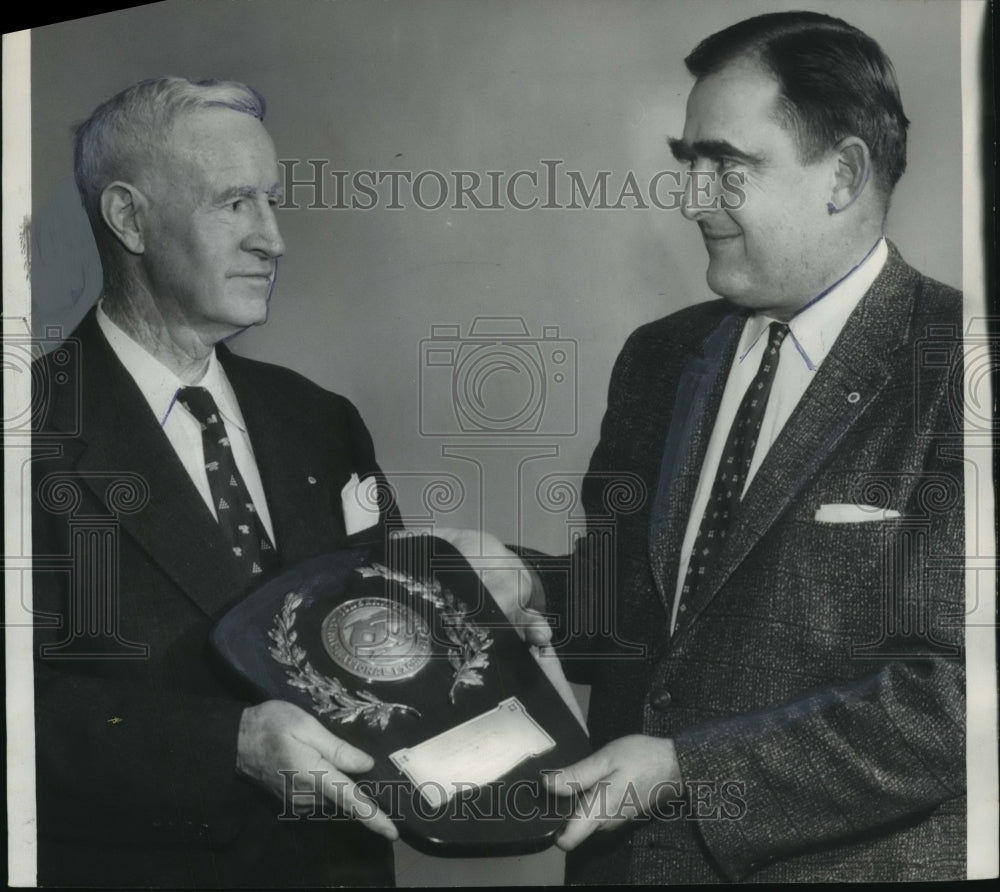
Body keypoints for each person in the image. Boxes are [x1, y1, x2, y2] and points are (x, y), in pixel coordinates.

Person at [478, 11, 966, 883]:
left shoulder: (962, 364)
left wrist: (688, 773)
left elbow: (957, 706)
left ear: (843, 174)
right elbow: (640, 614)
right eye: (689, 164)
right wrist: (527, 586)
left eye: (727, 167)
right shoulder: (661, 359)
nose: (691, 198)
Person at [31, 77, 398, 887]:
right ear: (128, 218)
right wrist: (226, 746)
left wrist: (474, 590)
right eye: (234, 203)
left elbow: (384, 628)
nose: (274, 239)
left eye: (271, 202)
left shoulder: (320, 419)